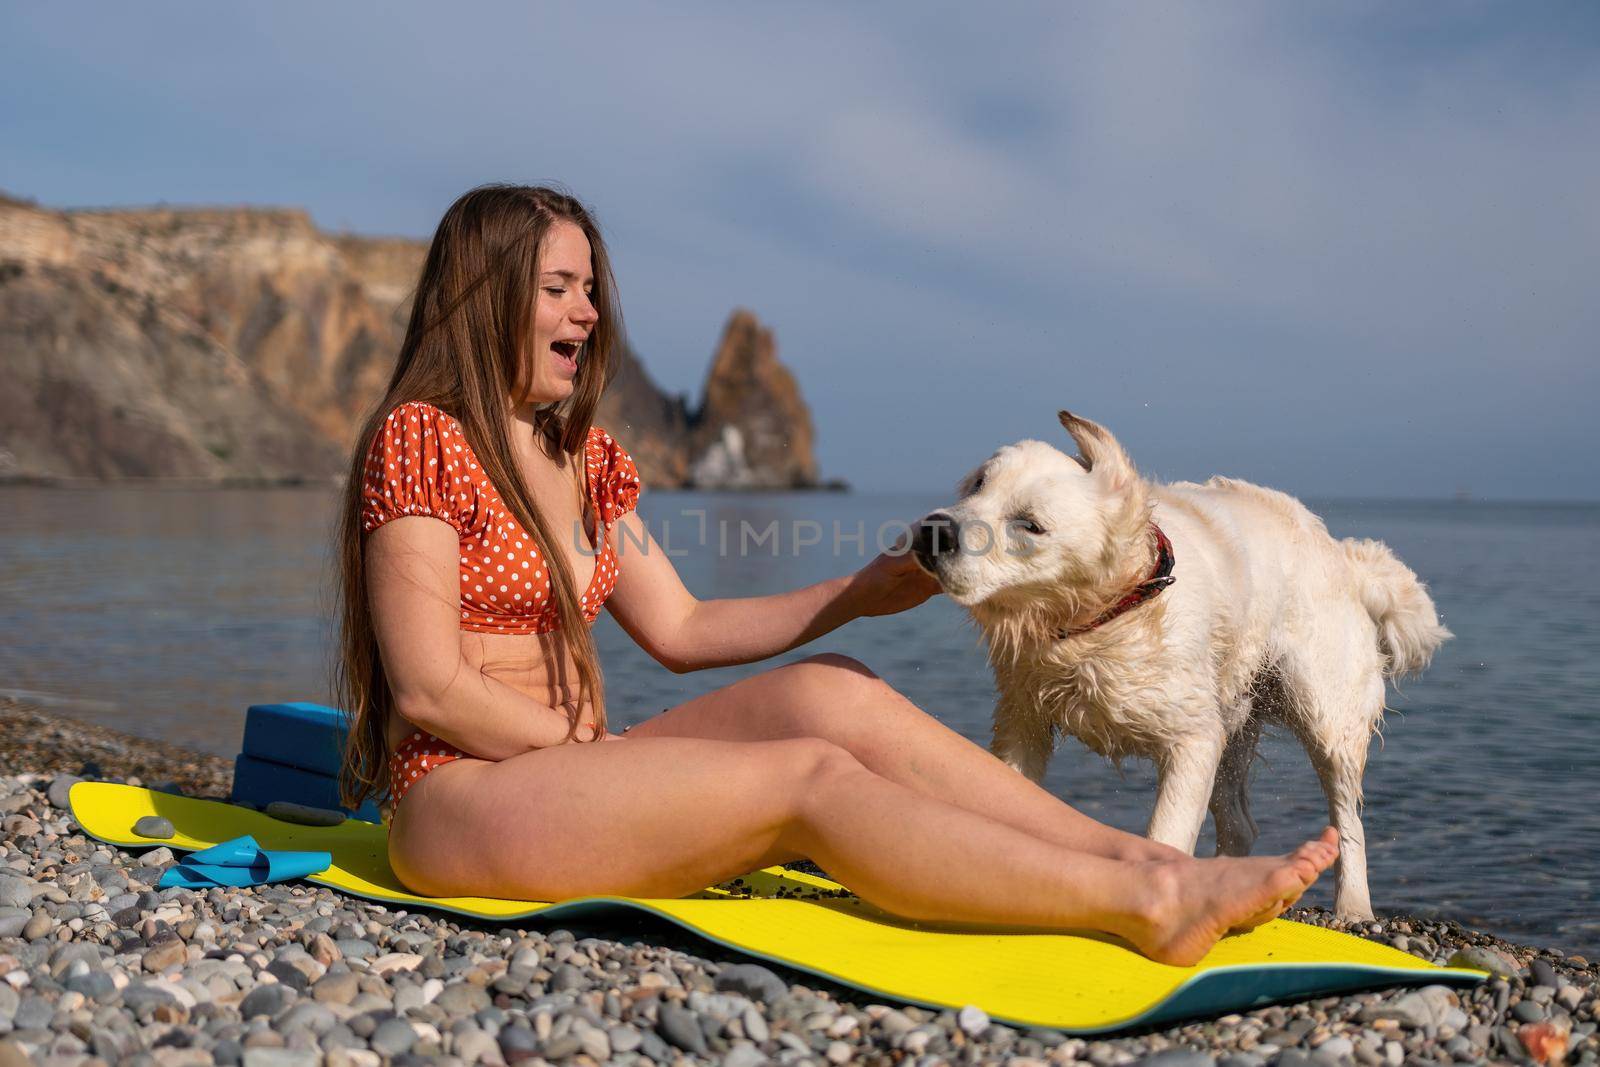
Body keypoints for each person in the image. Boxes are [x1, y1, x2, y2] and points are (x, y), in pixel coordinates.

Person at [335, 184, 1337, 968]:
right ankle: (1148, 905)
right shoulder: (422, 439)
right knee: (806, 781)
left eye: (591, 288)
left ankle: (1143, 855)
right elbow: (428, 687)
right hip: (460, 792)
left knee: (835, 693)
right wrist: (580, 746)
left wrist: (858, 592)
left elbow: (679, 629)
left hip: (571, 764)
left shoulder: (586, 460)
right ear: (483, 293)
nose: (588, 312)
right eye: (559, 287)